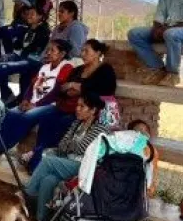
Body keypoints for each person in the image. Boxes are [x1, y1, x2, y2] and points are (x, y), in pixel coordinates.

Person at [20, 39, 117, 172]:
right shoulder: (78, 70)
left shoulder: (105, 70)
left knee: (62, 124)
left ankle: (37, 163)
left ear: (97, 53)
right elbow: (63, 89)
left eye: (86, 51)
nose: (82, 54)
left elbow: (105, 90)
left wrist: (78, 87)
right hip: (70, 106)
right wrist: (75, 88)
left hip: (91, 113)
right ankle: (37, 154)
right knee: (46, 120)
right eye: (82, 50)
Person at [24, 92, 109, 221]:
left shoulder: (99, 128)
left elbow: (81, 149)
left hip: (82, 167)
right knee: (48, 181)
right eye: (77, 105)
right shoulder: (77, 124)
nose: (77, 109)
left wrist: (70, 145)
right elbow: (62, 145)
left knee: (47, 161)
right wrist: (72, 145)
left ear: (93, 110)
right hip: (67, 162)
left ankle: (26, 194)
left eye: (82, 106)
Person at [0, 39, 74, 155]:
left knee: (26, 117)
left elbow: (56, 92)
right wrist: (25, 100)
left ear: (62, 54)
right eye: (47, 49)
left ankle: (0, 148)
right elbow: (32, 85)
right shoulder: (45, 67)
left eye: (52, 50)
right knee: (10, 113)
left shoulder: (67, 67)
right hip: (34, 102)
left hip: (50, 105)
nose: (48, 52)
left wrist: (35, 105)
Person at [0, 5, 52, 102]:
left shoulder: (43, 31)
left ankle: (7, 94)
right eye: (28, 14)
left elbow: (35, 50)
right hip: (23, 58)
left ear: (40, 17)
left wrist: (17, 55)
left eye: (32, 14)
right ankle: (7, 94)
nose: (29, 16)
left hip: (33, 61)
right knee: (1, 60)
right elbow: (19, 46)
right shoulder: (27, 29)